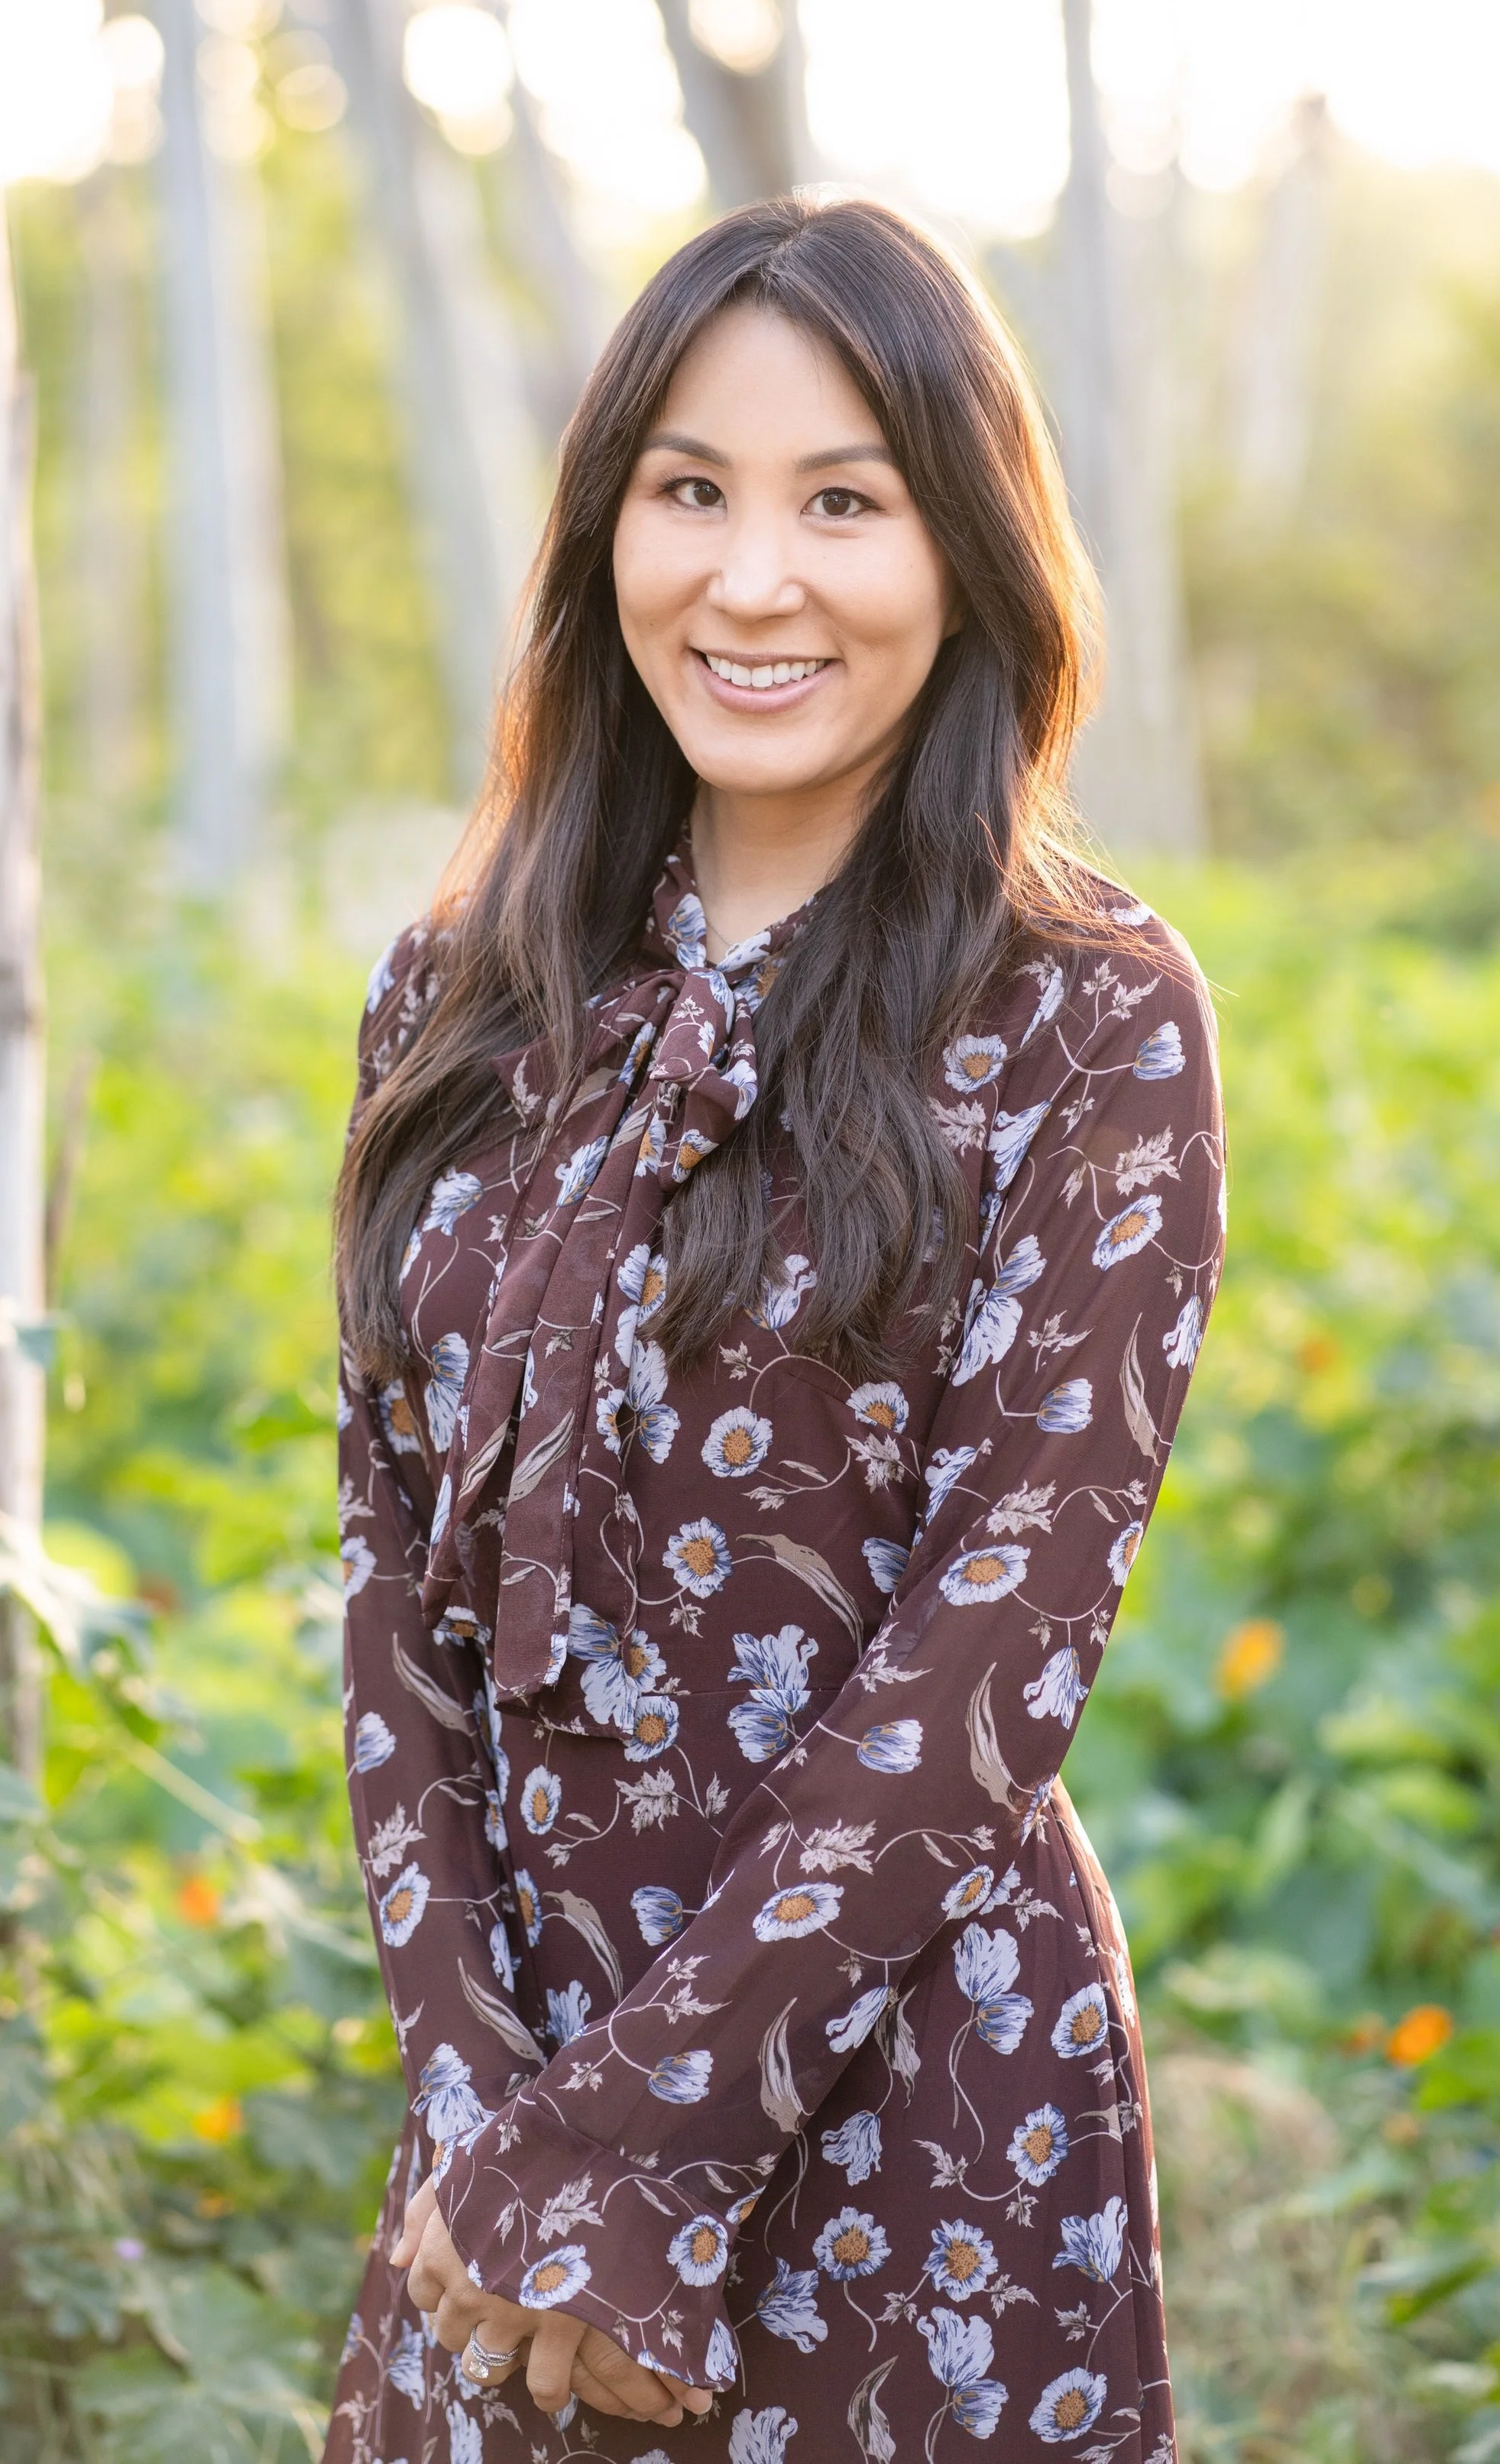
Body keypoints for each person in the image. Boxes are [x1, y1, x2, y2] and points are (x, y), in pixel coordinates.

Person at [326, 196, 1223, 2463]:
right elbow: (388, 1584)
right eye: (688, 491)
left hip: (912, 2099)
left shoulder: (1083, 1018)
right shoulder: (452, 999)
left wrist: (634, 2152)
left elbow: (990, 1651)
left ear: (969, 552)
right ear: (601, 524)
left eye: (844, 500)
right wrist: (482, 2132)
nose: (751, 580)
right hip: (506, 2124)